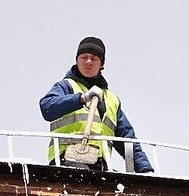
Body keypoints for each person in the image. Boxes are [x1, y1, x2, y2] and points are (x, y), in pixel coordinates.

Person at [39, 36, 153, 173]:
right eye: (84, 57)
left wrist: (145, 169)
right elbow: (47, 107)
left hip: (99, 164)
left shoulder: (111, 99)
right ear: (77, 60)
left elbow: (126, 139)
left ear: (102, 64)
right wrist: (81, 99)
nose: (88, 61)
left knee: (117, 188)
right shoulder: (66, 86)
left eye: (94, 58)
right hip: (67, 158)